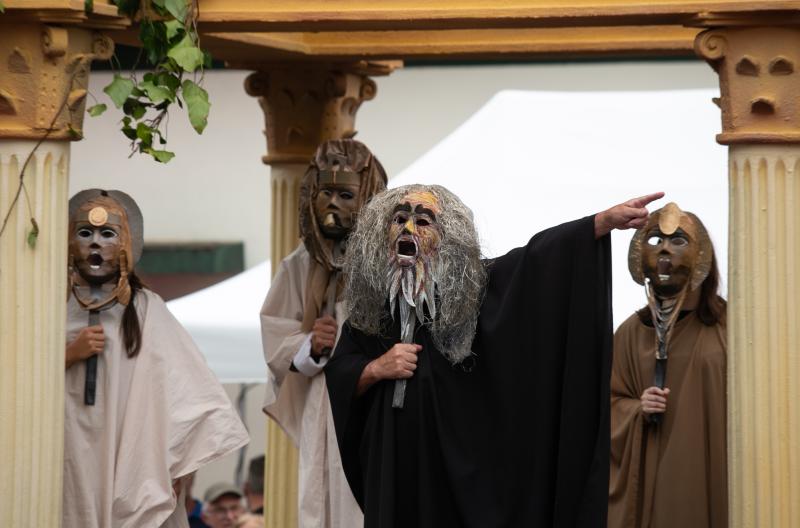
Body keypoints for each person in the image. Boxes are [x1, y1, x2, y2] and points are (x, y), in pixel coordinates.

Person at [325, 184, 663, 527]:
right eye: (399, 219)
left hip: (450, 479)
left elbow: (535, 262)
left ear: (447, 237)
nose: (408, 229)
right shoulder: (372, 314)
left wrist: (601, 222)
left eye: (423, 222)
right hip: (394, 469)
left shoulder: (469, 294)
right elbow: (340, 371)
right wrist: (376, 368)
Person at [63, 189, 249, 527]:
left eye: (107, 234)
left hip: (128, 451)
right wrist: (67, 355)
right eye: (85, 233)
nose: (95, 244)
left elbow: (189, 390)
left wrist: (179, 462)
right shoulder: (50, 307)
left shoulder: (146, 310)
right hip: (67, 447)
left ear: (126, 244)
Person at [260, 139, 387, 526]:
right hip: (324, 404)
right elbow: (277, 331)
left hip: (372, 402)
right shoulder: (299, 265)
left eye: (345, 194)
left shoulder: (389, 263)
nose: (333, 204)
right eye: (325, 193)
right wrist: (310, 346)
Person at [608, 203, 727, 528]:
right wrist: (636, 408)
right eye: (656, 240)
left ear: (700, 255)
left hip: (714, 468)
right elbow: (605, 404)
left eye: (678, 241)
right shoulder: (632, 332)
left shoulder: (731, 326)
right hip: (656, 472)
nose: (665, 250)